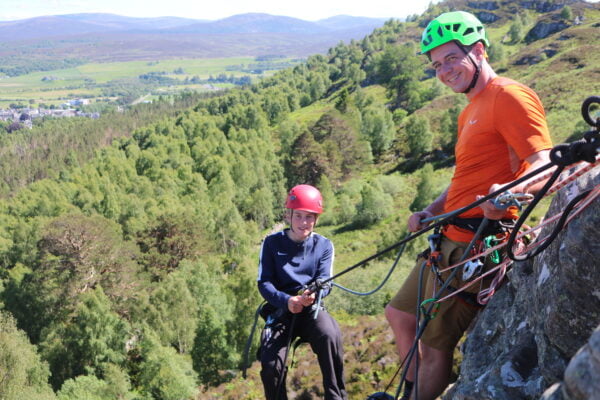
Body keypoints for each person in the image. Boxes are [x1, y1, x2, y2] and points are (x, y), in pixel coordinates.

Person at [384, 11, 553, 400]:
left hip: (477, 244)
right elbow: (465, 178)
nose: (443, 71)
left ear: (478, 50)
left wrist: (508, 196)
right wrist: (430, 211)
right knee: (399, 315)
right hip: (447, 238)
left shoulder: (509, 96)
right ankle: (410, 389)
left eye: (450, 59)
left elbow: (544, 162)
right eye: (436, 65)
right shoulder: (469, 109)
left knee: (433, 347)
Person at [257, 184, 347, 400]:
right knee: (271, 366)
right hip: (280, 312)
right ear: (289, 215)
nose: (303, 223)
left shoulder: (324, 245)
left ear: (316, 219)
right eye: (298, 216)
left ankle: (336, 397)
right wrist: (286, 301)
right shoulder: (271, 243)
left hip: (310, 310)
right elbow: (264, 282)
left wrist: (315, 294)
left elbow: (325, 280)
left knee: (330, 336)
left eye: (309, 217)